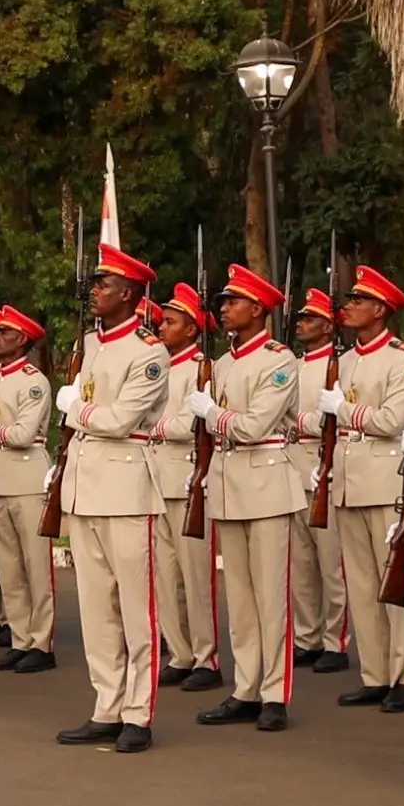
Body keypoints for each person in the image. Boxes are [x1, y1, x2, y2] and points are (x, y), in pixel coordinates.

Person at [59, 247, 173, 753]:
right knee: (96, 606)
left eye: (104, 284)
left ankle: (138, 712)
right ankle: (106, 704)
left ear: (129, 292)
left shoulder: (149, 351)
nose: (94, 291)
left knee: (135, 607)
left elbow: (119, 421)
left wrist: (75, 409)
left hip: (127, 488)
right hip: (86, 488)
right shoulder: (90, 343)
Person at [201, 266, 306, 731]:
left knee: (270, 596)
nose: (224, 308)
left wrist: (212, 414)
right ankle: (245, 686)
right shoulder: (222, 364)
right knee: (240, 597)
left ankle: (274, 693)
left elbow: (254, 426)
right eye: (223, 302)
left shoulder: (278, 360)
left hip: (265, 482)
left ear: (258, 309)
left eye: (233, 301)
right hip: (229, 482)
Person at [324, 268, 404, 715]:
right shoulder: (342, 362)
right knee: (360, 584)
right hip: (348, 479)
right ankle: (374, 674)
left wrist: (343, 409)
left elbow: (392, 422)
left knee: (393, 581)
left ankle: (402, 676)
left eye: (358, 300)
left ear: (380, 309)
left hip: (385, 480)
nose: (349, 306)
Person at [0, 307, 59, 675]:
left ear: (21, 339)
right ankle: (21, 638)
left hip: (26, 477)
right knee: (8, 566)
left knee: (35, 566)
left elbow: (22, 435)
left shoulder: (32, 381)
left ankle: (43, 643)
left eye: (1, 333)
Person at [148, 285, 220, 690]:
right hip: (158, 479)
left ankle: (206, 657)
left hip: (186, 478)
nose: (162, 327)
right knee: (165, 574)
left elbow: (193, 425)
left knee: (195, 576)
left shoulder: (199, 368)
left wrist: (151, 429)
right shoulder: (160, 365)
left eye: (171, 322)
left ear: (192, 330)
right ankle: (180, 652)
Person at [288, 291, 346, 669]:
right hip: (293, 464)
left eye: (310, 318)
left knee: (332, 562)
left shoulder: (339, 366)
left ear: (327, 326)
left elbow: (334, 420)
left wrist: (302, 423)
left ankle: (335, 641)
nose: (300, 322)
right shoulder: (291, 365)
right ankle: (306, 635)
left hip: (325, 463)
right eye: (301, 316)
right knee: (300, 561)